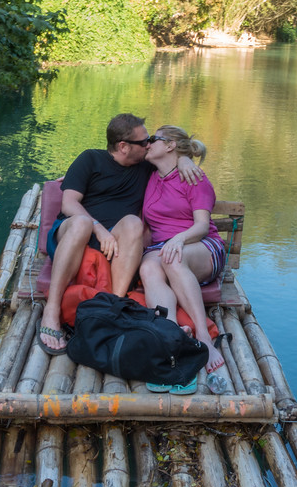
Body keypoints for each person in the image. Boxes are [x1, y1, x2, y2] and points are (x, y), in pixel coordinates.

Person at [38, 114, 202, 355]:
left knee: (134, 223)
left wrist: (185, 160)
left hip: (117, 240)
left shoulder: (146, 166)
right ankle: (51, 313)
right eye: (144, 141)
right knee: (82, 222)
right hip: (73, 232)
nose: (149, 144)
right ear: (123, 146)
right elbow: (69, 204)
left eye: (150, 140)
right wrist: (99, 229)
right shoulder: (90, 159)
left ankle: (111, 307)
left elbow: (171, 154)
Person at [138, 125, 227, 388]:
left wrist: (179, 239)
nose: (147, 143)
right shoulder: (150, 174)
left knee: (172, 258)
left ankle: (203, 336)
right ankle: (172, 337)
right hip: (163, 248)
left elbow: (201, 226)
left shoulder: (194, 177)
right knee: (148, 269)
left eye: (153, 139)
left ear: (170, 146)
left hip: (200, 245)